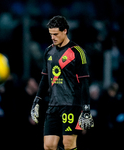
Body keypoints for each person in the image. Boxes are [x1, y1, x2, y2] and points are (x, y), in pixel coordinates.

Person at [31, 15, 94, 150]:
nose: (52, 37)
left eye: (55, 34)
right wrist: (37, 100)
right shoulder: (48, 51)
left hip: (71, 104)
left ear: (65, 31)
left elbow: (84, 83)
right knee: (49, 146)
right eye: (50, 34)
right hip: (53, 105)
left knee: (68, 144)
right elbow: (44, 78)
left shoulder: (77, 52)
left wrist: (86, 109)